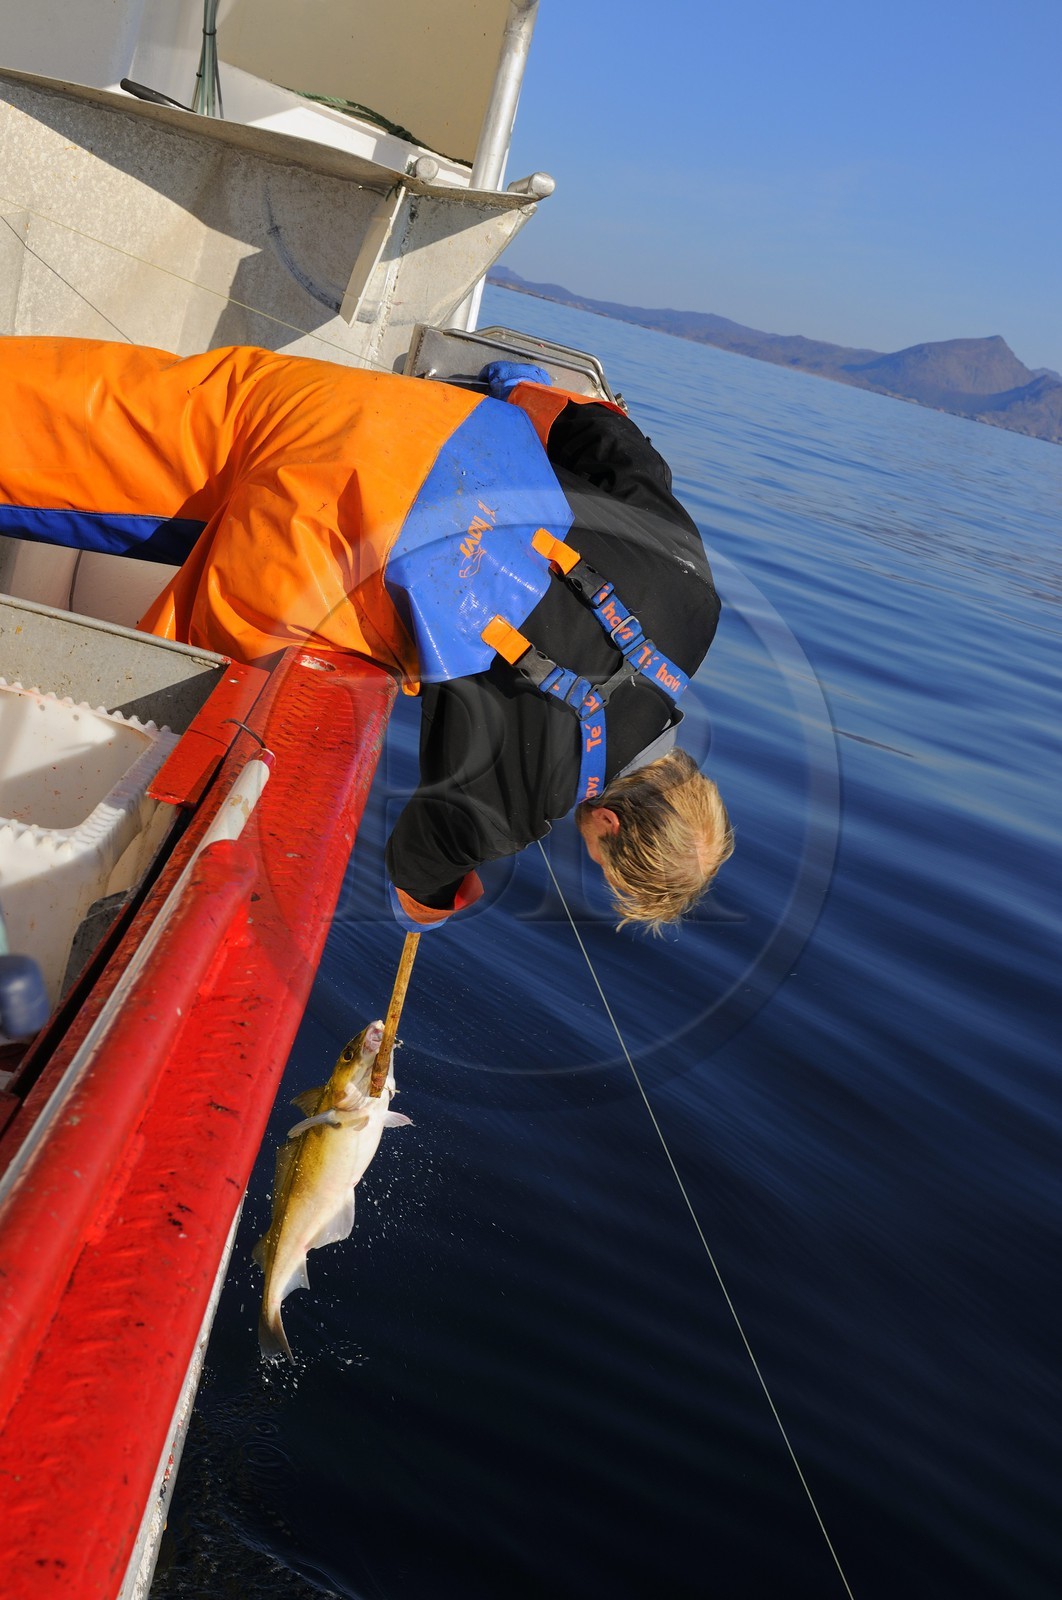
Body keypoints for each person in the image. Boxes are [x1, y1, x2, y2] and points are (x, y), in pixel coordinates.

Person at [0, 337, 732, 932]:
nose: (589, 859)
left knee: (70, 409)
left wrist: (518, 388)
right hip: (322, 545)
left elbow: (613, 439)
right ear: (606, 822)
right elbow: (419, 869)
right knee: (158, 747)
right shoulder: (546, 788)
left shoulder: (698, 595)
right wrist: (440, 899)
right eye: (602, 865)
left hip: (395, 419)